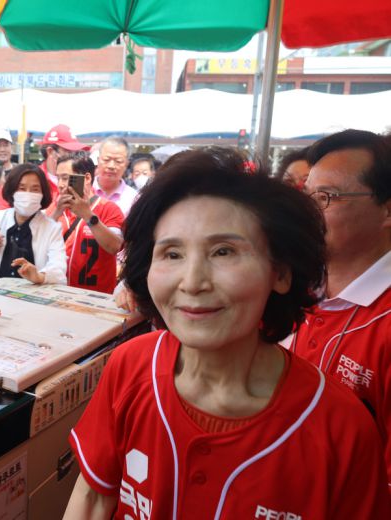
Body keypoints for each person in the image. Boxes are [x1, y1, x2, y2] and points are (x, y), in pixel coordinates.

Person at [64, 148, 390, 519]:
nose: (193, 282)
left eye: (223, 251)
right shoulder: (131, 365)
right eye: (171, 254)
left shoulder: (341, 429)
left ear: (280, 273)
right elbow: (93, 499)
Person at [286, 129, 391, 485]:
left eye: (326, 197)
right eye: (307, 194)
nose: (308, 211)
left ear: (387, 210)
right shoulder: (290, 286)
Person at [0, 164, 66, 285]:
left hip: (33, 299)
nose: (28, 194)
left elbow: (59, 271)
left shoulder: (51, 228)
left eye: (35, 189)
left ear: (43, 194)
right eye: (22, 188)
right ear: (12, 191)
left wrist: (39, 276)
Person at [51, 153, 123, 294]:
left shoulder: (108, 209)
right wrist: (56, 213)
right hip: (57, 294)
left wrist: (88, 216)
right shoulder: (54, 208)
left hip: (96, 298)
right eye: (58, 178)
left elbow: (115, 246)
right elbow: (38, 242)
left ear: (87, 178)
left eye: (66, 178)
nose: (60, 184)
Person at [93, 137, 137, 217]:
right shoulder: (84, 190)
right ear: (98, 160)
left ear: (126, 164)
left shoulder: (134, 198)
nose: (111, 166)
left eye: (118, 161)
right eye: (106, 160)